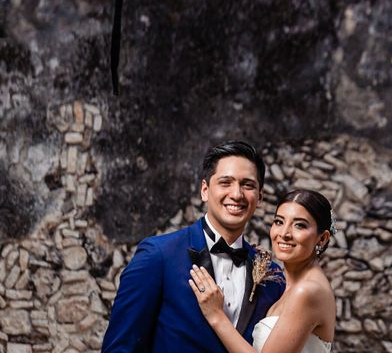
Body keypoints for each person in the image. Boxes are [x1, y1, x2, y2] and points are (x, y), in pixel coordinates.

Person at [102, 140, 284, 352]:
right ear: (205, 190)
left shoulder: (272, 277)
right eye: (225, 182)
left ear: (260, 197)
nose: (237, 194)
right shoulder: (158, 256)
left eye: (248, 185)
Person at [188, 189, 336, 353]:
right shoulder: (287, 283)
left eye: (299, 225)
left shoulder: (307, 291)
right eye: (279, 222)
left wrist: (216, 315)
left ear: (322, 238)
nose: (284, 233)